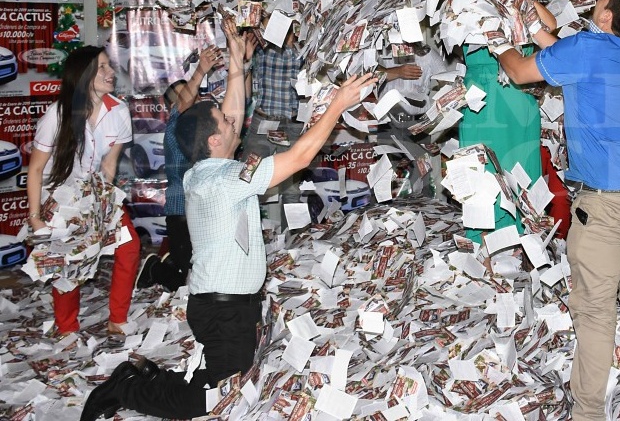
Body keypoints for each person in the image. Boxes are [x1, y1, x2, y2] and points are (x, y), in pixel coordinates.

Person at [80, 22, 377, 421]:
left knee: (225, 383)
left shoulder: (207, 171)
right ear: (215, 141)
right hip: (224, 310)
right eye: (224, 120)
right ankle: (127, 388)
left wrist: (237, 64)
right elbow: (301, 157)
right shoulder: (225, 180)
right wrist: (338, 105)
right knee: (208, 402)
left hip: (227, 305)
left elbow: (231, 120)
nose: (233, 119)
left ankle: (148, 375)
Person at [495, 0, 620, 421]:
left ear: (606, 16)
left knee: (594, 310)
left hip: (606, 208)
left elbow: (518, 72)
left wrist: (495, 34)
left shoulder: (587, 50)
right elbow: (563, 51)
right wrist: (530, 22)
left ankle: (588, 412)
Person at [443, 0, 557, 244]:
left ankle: (523, 242)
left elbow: (550, 25)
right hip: (483, 96)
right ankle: (481, 246)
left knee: (521, 168)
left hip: (519, 99)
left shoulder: (519, 3)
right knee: (483, 171)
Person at [27, 46, 139, 336]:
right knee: (67, 261)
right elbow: (36, 170)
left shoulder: (119, 111)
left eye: (109, 66)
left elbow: (110, 163)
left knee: (129, 246)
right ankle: (67, 328)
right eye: (101, 67)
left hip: (97, 193)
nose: (110, 72)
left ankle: (118, 319)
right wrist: (36, 216)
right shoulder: (58, 114)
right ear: (83, 74)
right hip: (61, 197)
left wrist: (106, 207)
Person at [136, 46, 222, 292]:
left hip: (205, 209)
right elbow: (183, 104)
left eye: (191, 92)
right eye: (182, 94)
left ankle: (167, 264)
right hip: (181, 212)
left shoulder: (205, 129)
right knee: (191, 284)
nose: (188, 97)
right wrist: (200, 70)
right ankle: (157, 269)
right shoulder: (175, 124)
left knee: (205, 274)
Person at [240, 27, 305, 227]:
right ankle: (241, 238)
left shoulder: (305, 48)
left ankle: (292, 244)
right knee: (246, 180)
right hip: (263, 123)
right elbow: (245, 66)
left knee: (292, 191)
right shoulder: (265, 45)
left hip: (292, 126)